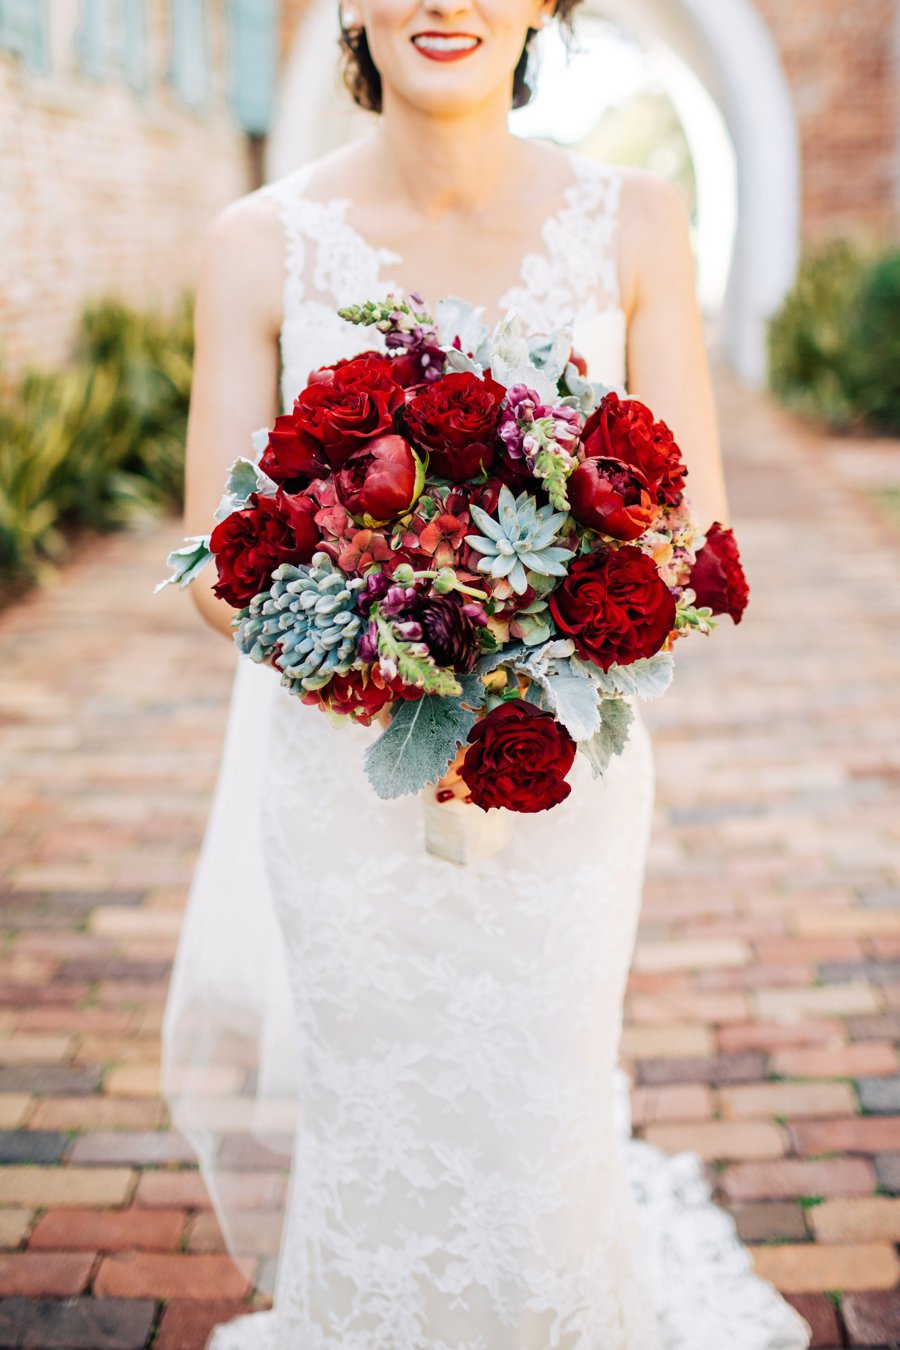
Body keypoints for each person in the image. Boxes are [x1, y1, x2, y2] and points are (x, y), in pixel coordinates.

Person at [161, 1, 813, 1345]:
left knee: (537, 1096)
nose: (442, 2)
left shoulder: (632, 220)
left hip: (553, 780)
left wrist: (538, 630)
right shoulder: (254, 244)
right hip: (345, 781)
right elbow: (214, 560)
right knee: (379, 1102)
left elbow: (693, 538)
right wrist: (392, 635)